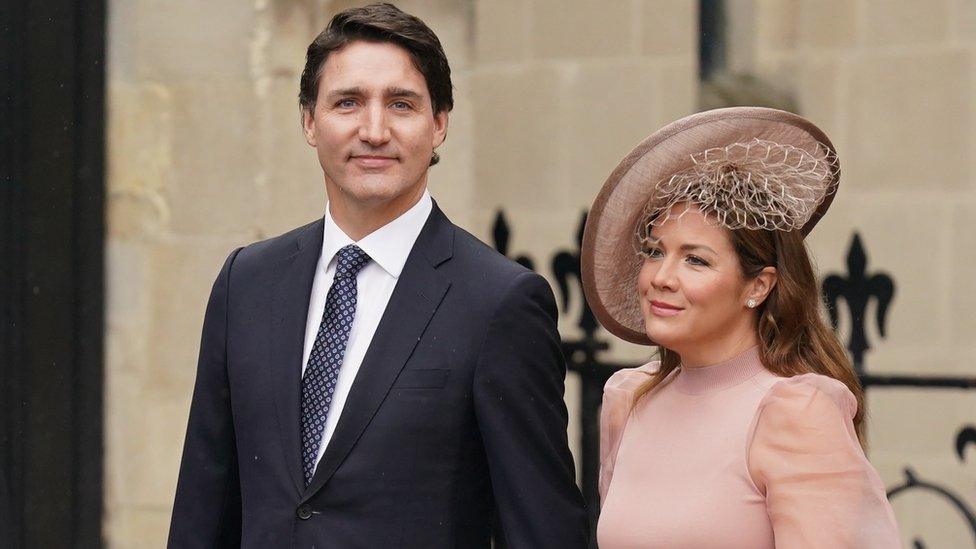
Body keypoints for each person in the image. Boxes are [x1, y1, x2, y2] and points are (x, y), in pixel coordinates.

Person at [167, 4, 588, 547]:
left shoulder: (499, 302)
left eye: (401, 104)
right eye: (348, 103)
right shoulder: (246, 282)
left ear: (438, 124)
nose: (374, 129)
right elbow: (205, 503)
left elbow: (543, 527)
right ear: (309, 122)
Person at [581, 107, 901, 547]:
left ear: (759, 285)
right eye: (656, 252)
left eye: (696, 259)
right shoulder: (629, 400)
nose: (661, 277)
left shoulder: (795, 411)